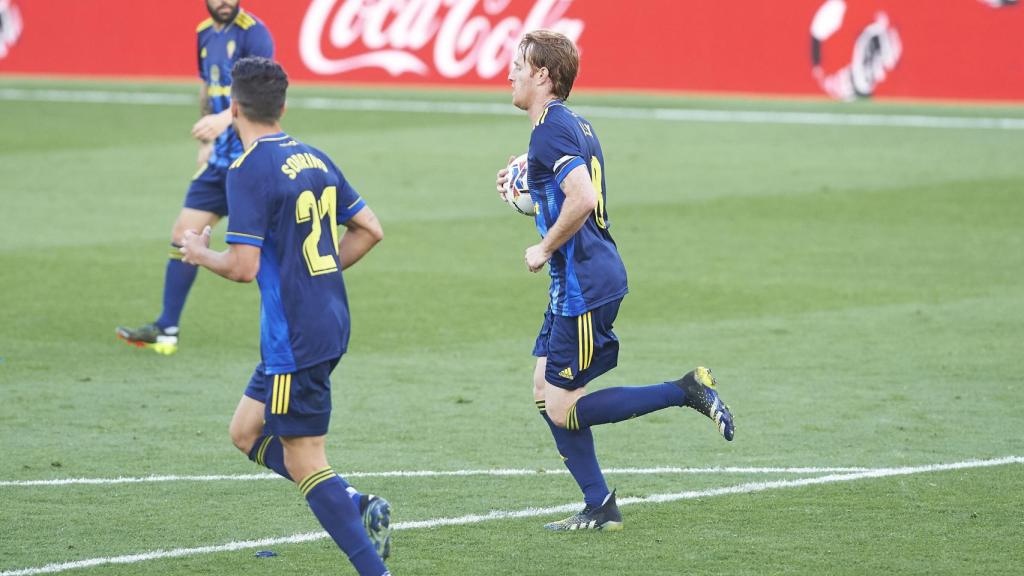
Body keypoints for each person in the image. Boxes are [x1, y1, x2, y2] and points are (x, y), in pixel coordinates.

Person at [494, 30, 736, 531]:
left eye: (518, 63)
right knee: (544, 388)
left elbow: (581, 199)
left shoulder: (550, 131)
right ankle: (599, 504)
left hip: (585, 284)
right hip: (577, 278)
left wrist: (542, 245)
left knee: (561, 407)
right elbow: (569, 197)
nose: (509, 72)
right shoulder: (570, 124)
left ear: (543, 74)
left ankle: (685, 390)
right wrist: (530, 192)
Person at [179, 57, 392, 573]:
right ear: (283, 105)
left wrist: (198, 252)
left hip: (294, 334)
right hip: (328, 318)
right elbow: (370, 228)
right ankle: (356, 503)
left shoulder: (248, 169)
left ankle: (373, 567)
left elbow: (243, 267)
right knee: (246, 432)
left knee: (303, 456)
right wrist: (317, 271)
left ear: (234, 108)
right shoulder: (314, 157)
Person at [117, 0, 274, 355]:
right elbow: (208, 87)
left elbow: (262, 94)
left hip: (251, 160)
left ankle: (293, 324)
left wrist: (223, 121)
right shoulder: (204, 34)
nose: (223, 2)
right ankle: (167, 328)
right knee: (182, 235)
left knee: (267, 249)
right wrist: (208, 138)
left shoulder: (255, 34)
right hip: (218, 162)